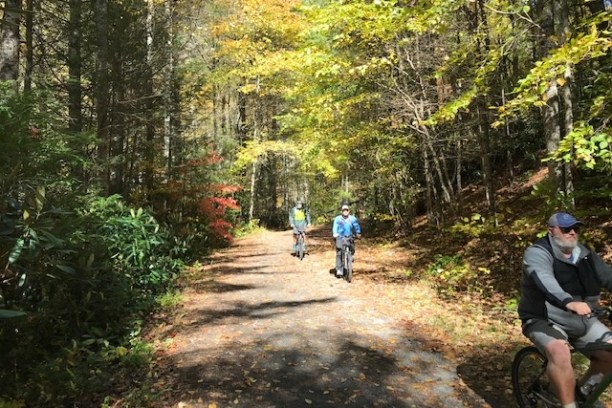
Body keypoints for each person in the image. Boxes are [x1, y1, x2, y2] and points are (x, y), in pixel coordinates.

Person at [518, 212, 612, 408]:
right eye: (566, 228)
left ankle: (582, 394)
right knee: (560, 353)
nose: (572, 232)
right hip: (543, 318)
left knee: (610, 353)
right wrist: (569, 302)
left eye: (575, 229)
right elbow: (545, 281)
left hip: (583, 321)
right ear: (551, 231)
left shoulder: (585, 254)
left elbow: (608, 277)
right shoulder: (537, 253)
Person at [332, 203, 362, 277]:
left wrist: (358, 233)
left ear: (349, 211)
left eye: (347, 210)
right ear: (341, 211)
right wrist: (335, 234)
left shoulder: (352, 218)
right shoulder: (337, 219)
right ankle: (339, 269)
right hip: (340, 237)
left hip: (349, 236)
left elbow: (356, 226)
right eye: (344, 210)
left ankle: (351, 256)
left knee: (352, 248)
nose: (345, 211)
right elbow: (335, 227)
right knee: (339, 252)